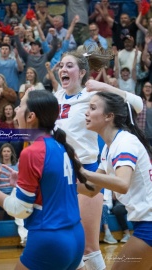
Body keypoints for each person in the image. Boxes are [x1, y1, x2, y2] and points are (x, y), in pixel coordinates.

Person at [0, 90, 92, 269]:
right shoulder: (62, 146)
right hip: (75, 237)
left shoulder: (32, 152)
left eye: (20, 105)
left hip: (50, 239)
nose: (16, 109)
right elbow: (51, 190)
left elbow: (19, 210)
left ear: (31, 116)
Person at [54, 50, 143, 270]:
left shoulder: (91, 96)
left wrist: (104, 87)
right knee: (68, 246)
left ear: (82, 72)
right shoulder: (57, 96)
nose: (63, 69)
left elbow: (138, 105)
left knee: (88, 247)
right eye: (61, 66)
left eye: (69, 66)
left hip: (89, 170)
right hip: (62, 173)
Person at [83, 91, 152, 270]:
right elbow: (91, 189)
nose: (86, 112)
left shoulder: (124, 143)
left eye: (92, 108)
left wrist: (82, 171)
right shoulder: (109, 148)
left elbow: (122, 184)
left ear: (109, 116)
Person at [0, 143, 18, 220]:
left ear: (12, 153)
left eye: (8, 151)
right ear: (1, 153)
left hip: (14, 192)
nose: (6, 153)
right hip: (0, 192)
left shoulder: (16, 165)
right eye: (4, 151)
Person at [136, 81, 152, 146]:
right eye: (146, 86)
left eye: (150, 87)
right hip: (142, 135)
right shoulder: (138, 101)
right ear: (142, 89)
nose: (148, 88)